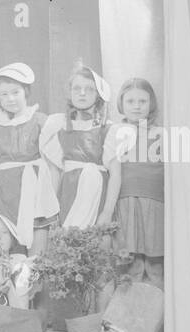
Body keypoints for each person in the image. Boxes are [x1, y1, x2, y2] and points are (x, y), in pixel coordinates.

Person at [0, 62, 58, 255]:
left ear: (26, 92)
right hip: (5, 198)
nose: (10, 98)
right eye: (4, 94)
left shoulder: (41, 121)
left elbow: (53, 167)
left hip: (35, 196)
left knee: (36, 256)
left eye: (15, 92)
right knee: (8, 254)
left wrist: (53, 203)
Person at [40, 63, 121, 229]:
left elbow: (116, 175)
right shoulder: (60, 127)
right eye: (77, 88)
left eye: (89, 89)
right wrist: (53, 210)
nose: (82, 93)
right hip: (69, 193)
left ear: (98, 95)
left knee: (96, 245)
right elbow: (55, 173)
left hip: (98, 194)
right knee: (70, 240)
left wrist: (107, 211)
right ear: (70, 93)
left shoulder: (108, 129)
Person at [107, 77, 165, 287]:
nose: (137, 106)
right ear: (122, 104)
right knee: (131, 265)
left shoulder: (161, 133)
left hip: (155, 203)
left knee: (156, 266)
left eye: (142, 101)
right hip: (126, 203)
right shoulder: (115, 132)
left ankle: (158, 318)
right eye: (131, 101)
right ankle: (129, 318)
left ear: (151, 104)